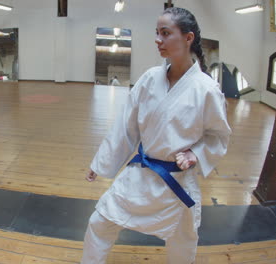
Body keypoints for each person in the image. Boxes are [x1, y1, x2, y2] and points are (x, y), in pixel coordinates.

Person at [81, 7, 231, 264]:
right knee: (99, 222)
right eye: (157, 33)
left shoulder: (206, 89)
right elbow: (126, 127)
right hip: (139, 174)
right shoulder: (150, 79)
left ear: (188, 38)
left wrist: (195, 153)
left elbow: (218, 136)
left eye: (165, 33)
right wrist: (102, 162)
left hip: (177, 181)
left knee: (182, 243)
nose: (157, 39)